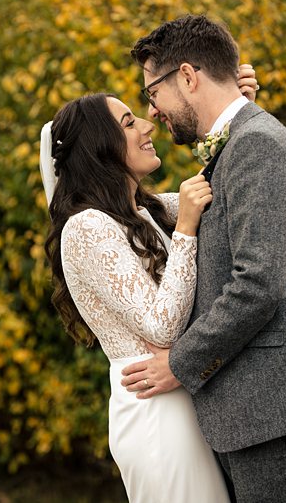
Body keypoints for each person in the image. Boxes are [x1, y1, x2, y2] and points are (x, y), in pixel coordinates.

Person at [122, 14, 286, 503]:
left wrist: (179, 362)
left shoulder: (256, 145)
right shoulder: (242, 144)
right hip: (268, 408)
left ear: (189, 77)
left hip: (277, 406)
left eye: (153, 94)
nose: (152, 112)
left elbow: (258, 282)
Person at [40, 66, 258, 503]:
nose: (146, 124)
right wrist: (188, 229)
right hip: (153, 411)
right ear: (99, 148)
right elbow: (161, 327)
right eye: (128, 122)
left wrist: (237, 108)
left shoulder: (145, 210)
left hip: (179, 395)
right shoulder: (86, 227)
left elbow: (221, 186)